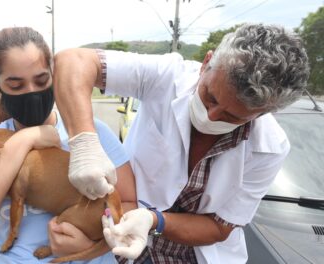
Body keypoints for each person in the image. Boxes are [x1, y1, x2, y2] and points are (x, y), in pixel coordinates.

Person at [52, 23, 310, 264]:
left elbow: (220, 227)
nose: (211, 116)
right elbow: (73, 61)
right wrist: (84, 143)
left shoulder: (270, 148)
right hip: (124, 244)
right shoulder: (166, 77)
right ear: (207, 63)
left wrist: (154, 220)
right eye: (210, 97)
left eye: (232, 117)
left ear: (263, 113)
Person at [0, 27, 137, 264]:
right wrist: (26, 139)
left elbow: (127, 203)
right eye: (16, 85)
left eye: (41, 80)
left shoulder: (90, 134)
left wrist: (92, 244)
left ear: (54, 75)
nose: (32, 92)